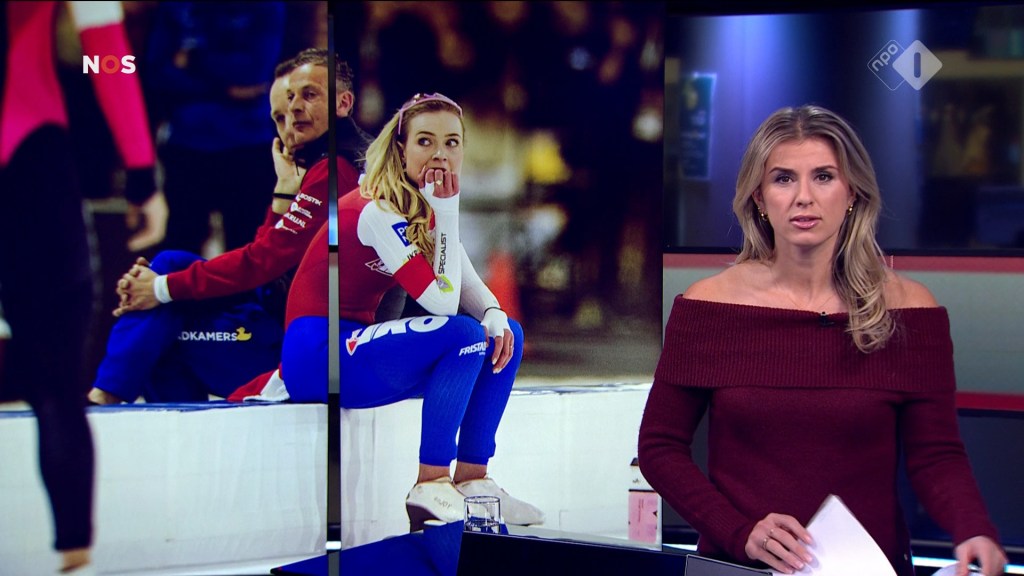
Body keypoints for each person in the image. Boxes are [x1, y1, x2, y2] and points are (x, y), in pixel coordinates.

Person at [637, 105, 1007, 576]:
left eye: (824, 177)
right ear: (759, 196)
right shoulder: (708, 306)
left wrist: (972, 529)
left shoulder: (910, 309)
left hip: (867, 567)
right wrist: (740, 532)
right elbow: (660, 447)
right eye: (784, 179)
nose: (803, 198)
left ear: (852, 192)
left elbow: (937, 456)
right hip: (737, 567)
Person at [230, 92, 545, 532]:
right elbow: (441, 303)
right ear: (401, 148)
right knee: (463, 334)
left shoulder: (423, 205)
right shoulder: (376, 208)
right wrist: (447, 212)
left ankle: (473, 479)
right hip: (317, 354)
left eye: (452, 143)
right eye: (425, 141)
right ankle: (430, 483)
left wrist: (492, 311)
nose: (440, 154)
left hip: (358, 351)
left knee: (506, 332)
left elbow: (467, 285)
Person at [86, 48, 367, 405]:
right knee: (170, 263)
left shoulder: (334, 170)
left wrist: (158, 288)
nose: (291, 118)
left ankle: (106, 399)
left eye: (308, 96)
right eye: (279, 115)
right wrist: (283, 192)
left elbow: (262, 263)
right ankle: (109, 394)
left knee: (160, 333)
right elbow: (270, 260)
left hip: (303, 347)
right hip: (290, 323)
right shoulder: (335, 161)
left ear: (343, 103)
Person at [0, 2, 165, 573]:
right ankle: (74, 556)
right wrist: (140, 171)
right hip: (29, 159)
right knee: (56, 385)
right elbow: (106, 52)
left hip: (33, 157)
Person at [143, 1, 286, 256]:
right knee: (180, 250)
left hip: (248, 144)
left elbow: (253, 72)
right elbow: (158, 73)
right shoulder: (175, 6)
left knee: (248, 251)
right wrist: (227, 88)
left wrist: (192, 59)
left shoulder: (266, 6)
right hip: (186, 144)